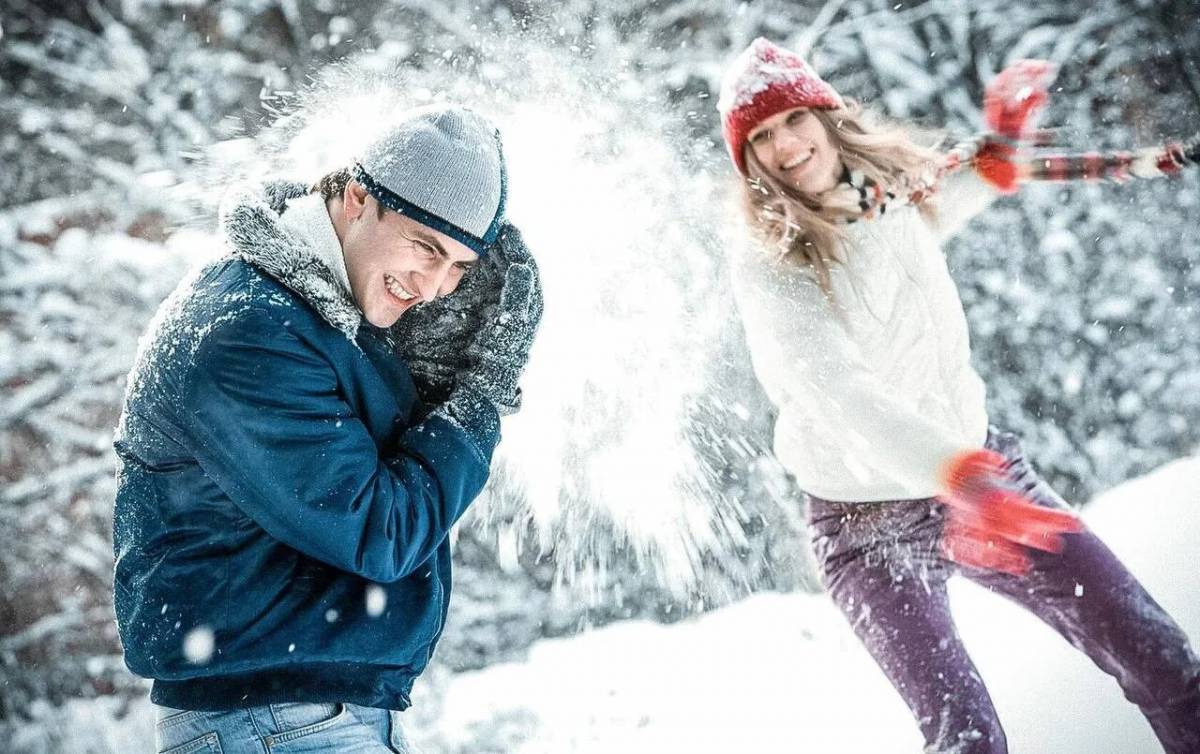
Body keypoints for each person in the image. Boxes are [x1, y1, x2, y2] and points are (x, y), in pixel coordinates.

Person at [717, 38, 1200, 753]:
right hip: (866, 524)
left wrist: (1001, 150)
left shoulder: (888, 195)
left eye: (791, 120)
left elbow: (920, 224)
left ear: (825, 116)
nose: (784, 146)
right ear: (748, 162)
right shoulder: (772, 260)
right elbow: (838, 393)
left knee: (1163, 661)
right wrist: (958, 476)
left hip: (981, 468)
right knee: (968, 739)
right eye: (760, 138)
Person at [112, 103, 542, 753]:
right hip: (271, 722)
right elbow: (380, 530)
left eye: (457, 268)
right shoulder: (250, 330)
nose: (432, 287)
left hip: (306, 716)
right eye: (426, 247)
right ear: (357, 198)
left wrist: (423, 379)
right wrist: (477, 396)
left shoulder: (319, 321)